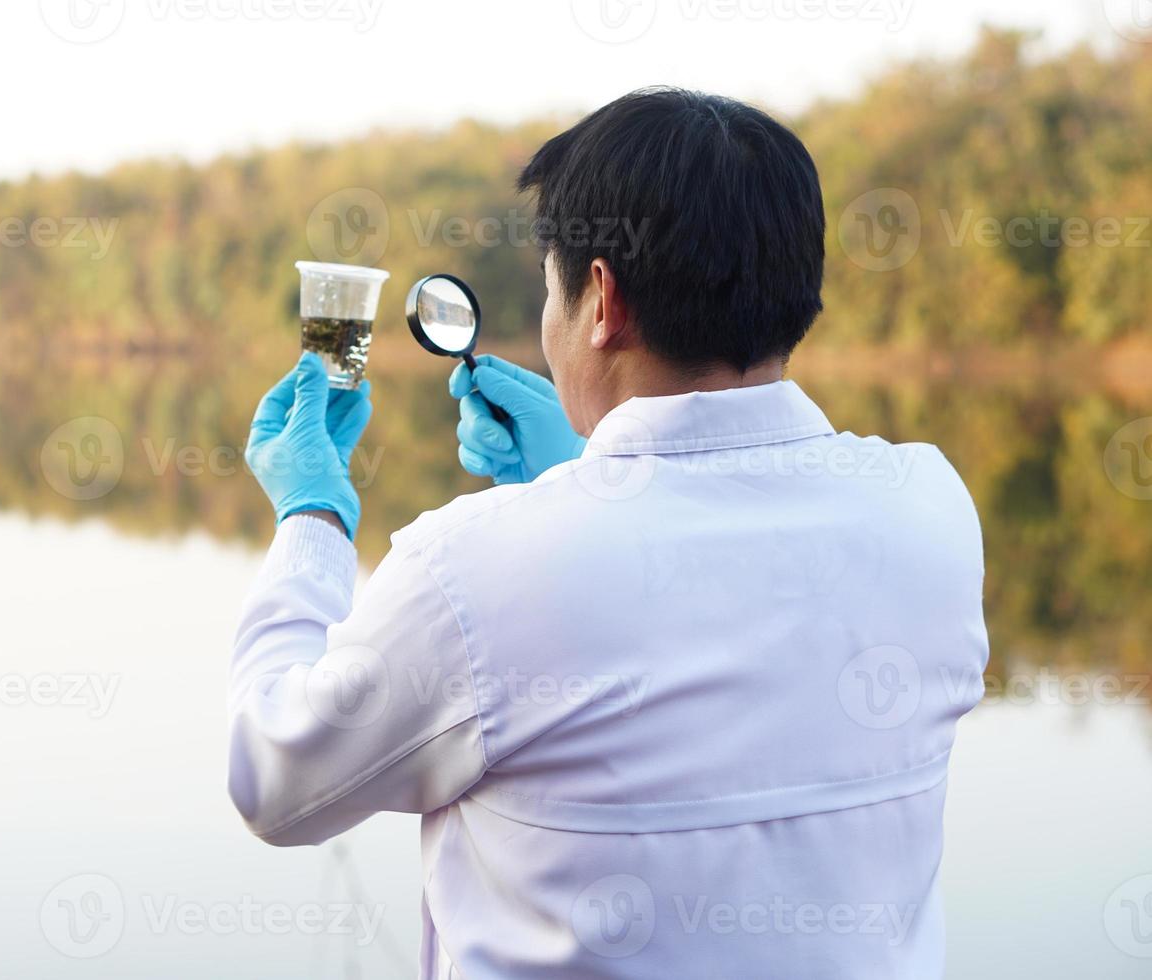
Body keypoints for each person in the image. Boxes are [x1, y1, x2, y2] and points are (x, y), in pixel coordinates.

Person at [229, 88, 988, 979]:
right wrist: (577, 477)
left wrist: (311, 514)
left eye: (548, 289)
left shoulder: (469, 569)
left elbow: (276, 781)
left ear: (601, 300)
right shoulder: (931, 510)